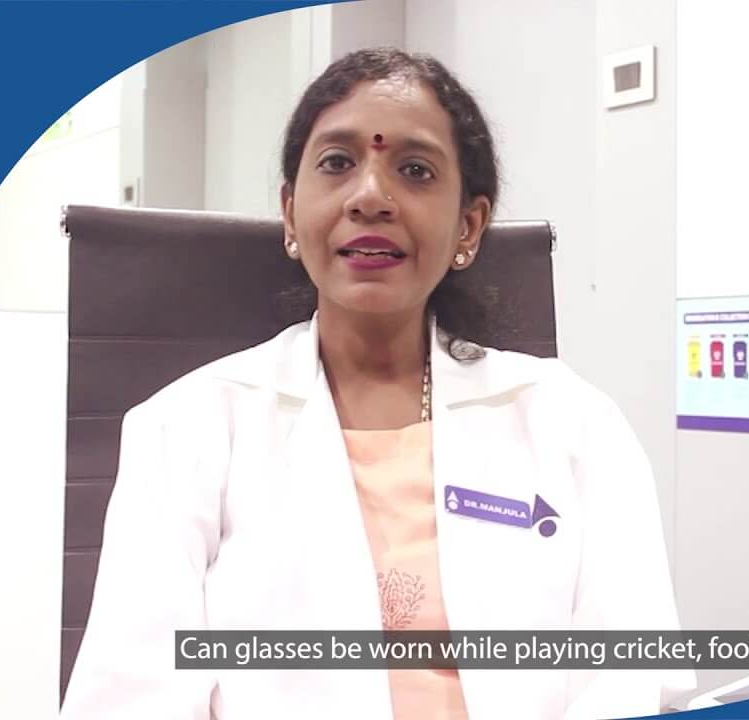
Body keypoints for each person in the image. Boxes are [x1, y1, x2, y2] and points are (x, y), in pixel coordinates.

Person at [60, 48, 690, 719]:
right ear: (290, 212)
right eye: (337, 163)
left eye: (414, 170)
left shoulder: (573, 423)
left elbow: (632, 675)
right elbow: (128, 699)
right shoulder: (186, 427)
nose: (369, 197)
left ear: (469, 226)